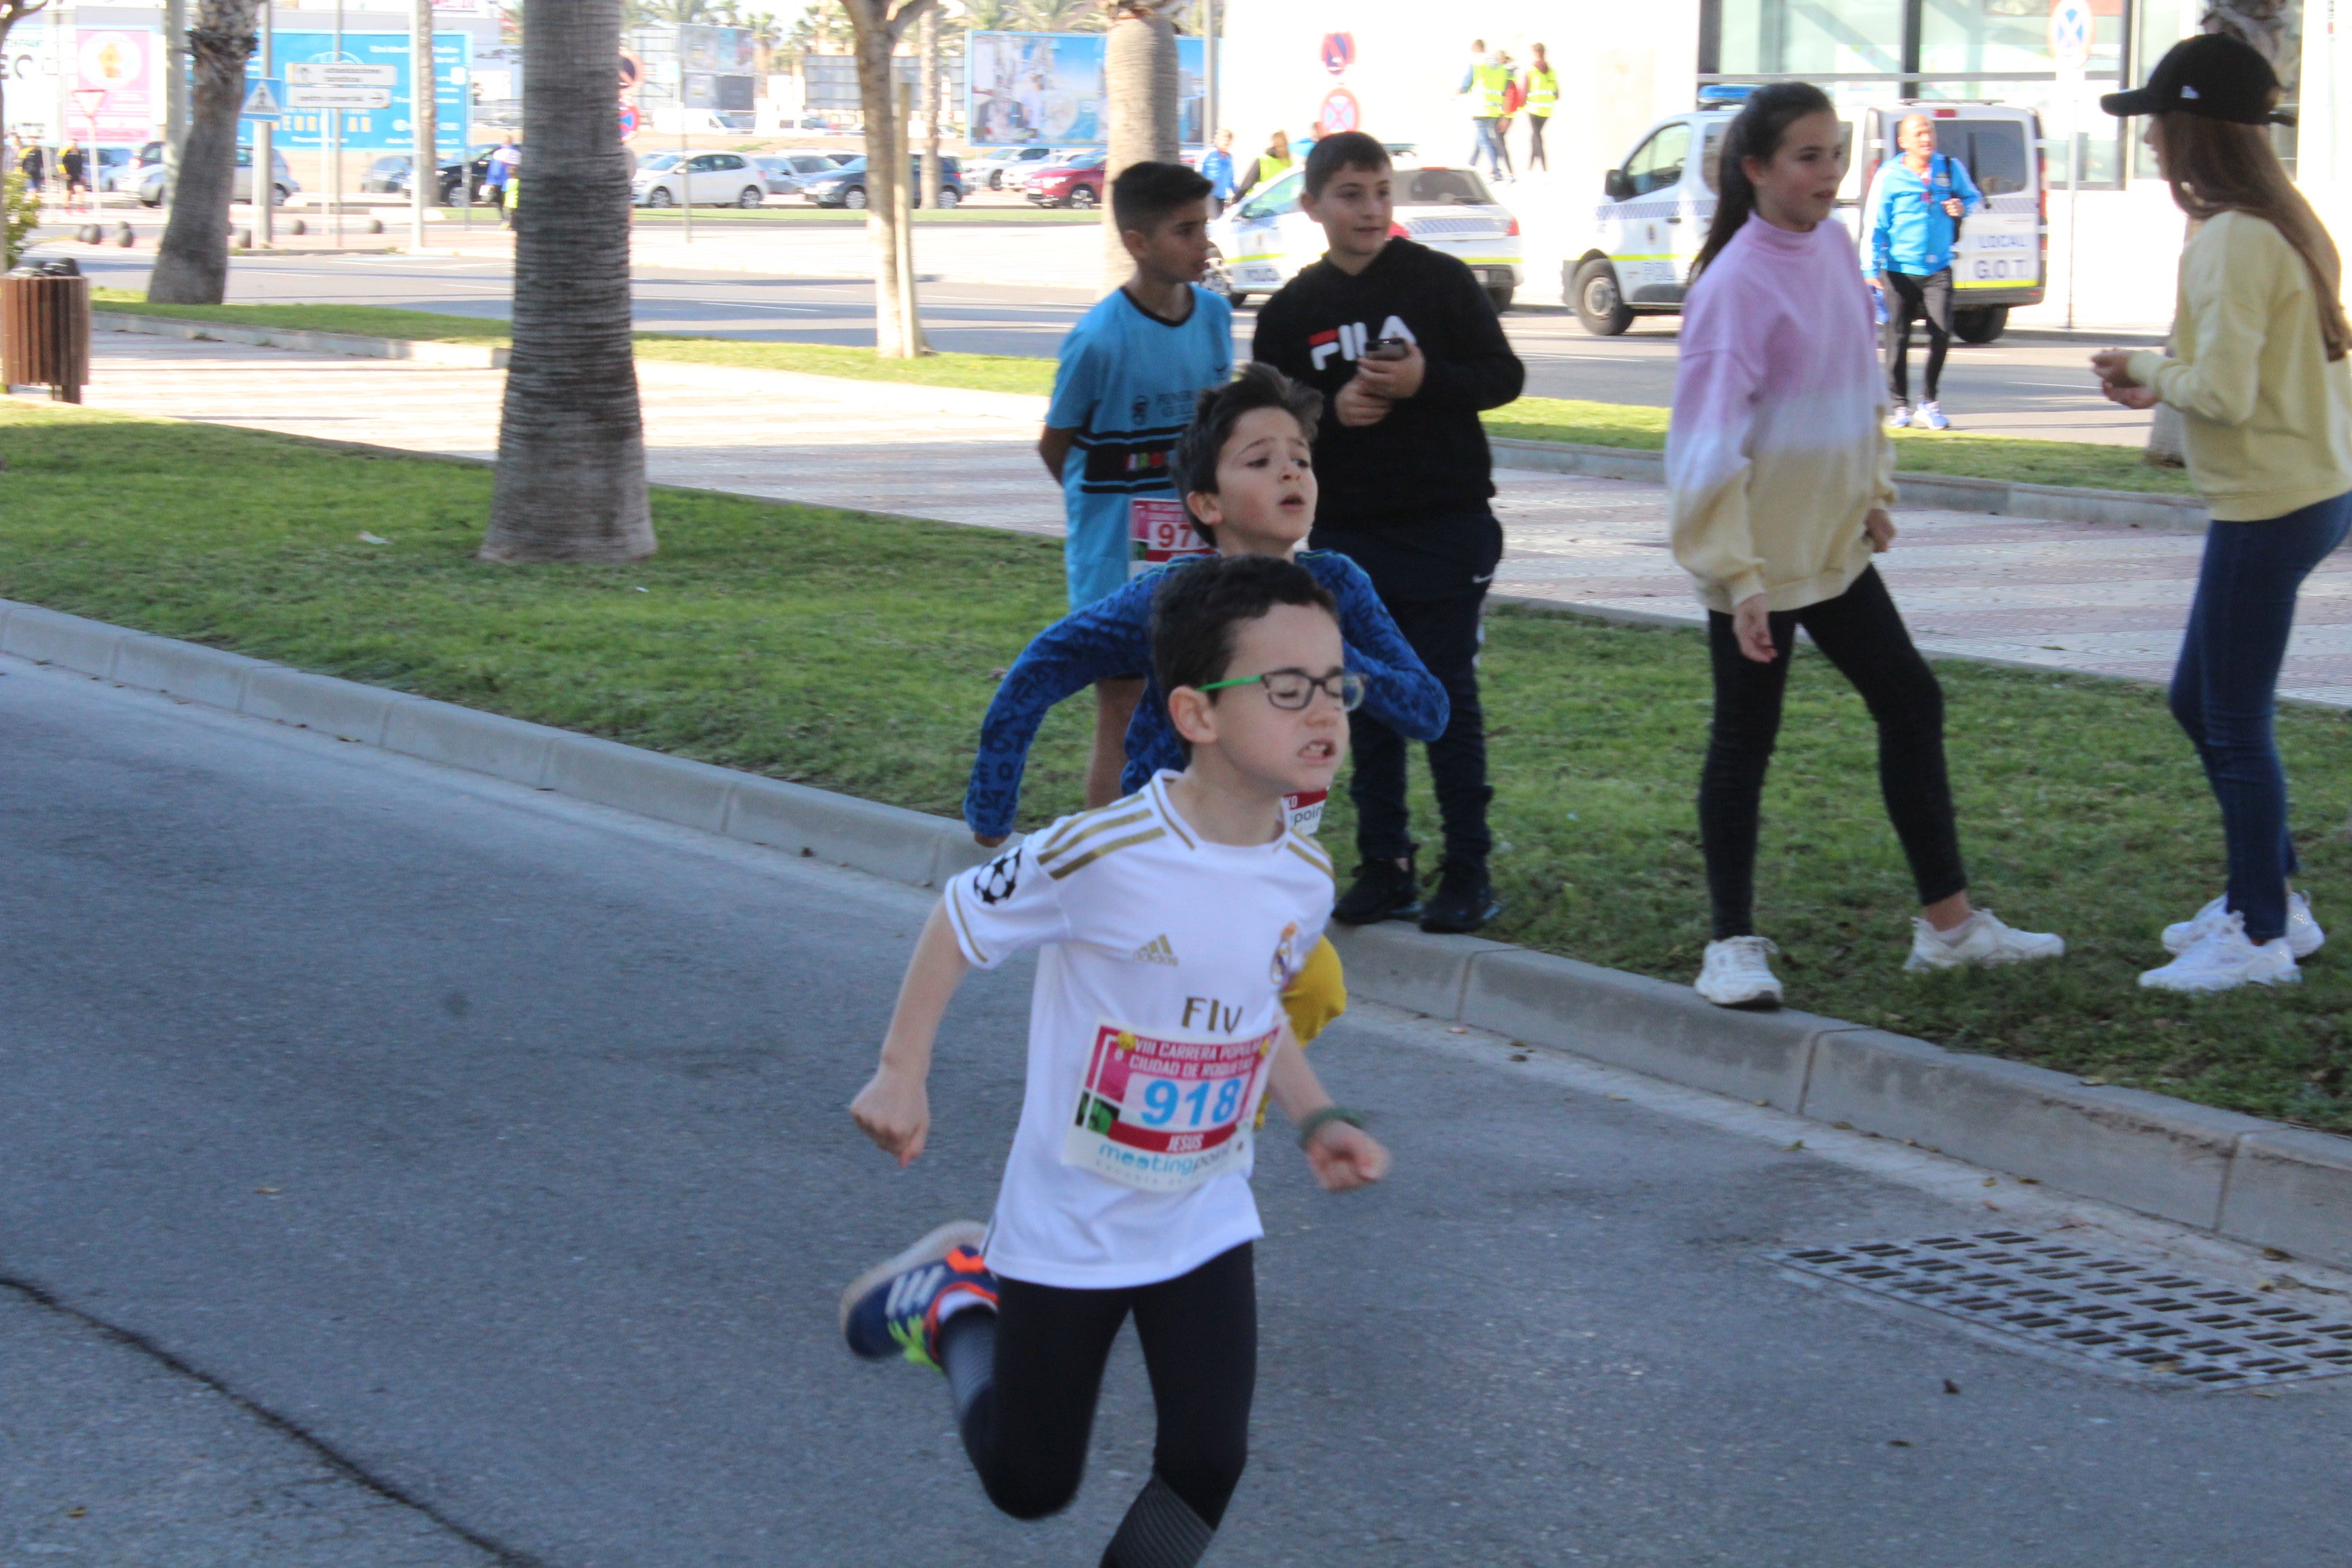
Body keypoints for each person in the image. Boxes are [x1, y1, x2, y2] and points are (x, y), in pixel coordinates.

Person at [842, 552, 1392, 1568]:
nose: (1324, 712)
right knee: (1030, 1484)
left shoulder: (1304, 877)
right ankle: (960, 1300)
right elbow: (962, 918)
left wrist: (1316, 1116)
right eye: (1286, 689)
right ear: (1196, 714)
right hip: (1074, 1220)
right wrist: (900, 1069)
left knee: (1207, 1462)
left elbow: (1253, 1005)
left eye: (1334, 685)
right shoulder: (1099, 854)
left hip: (1204, 1209)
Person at [1667, 83, 2065, 1009]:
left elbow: (1852, 385)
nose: (1830, 173)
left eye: (1837, 153)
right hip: (1758, 567)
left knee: (1912, 703)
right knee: (1744, 744)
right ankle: (1730, 946)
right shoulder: (1731, 285)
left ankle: (1950, 927)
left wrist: (1872, 494)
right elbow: (1701, 448)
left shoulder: (1835, 247)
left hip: (1834, 547)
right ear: (1756, 170)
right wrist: (1738, 577)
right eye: (1807, 157)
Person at [2091, 34, 2351, 993]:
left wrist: (2149, 370)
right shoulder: (2280, 223)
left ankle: (2259, 936)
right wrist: (2162, 377)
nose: (2150, 139)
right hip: (2307, 491)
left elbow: (2229, 391)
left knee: (2233, 721)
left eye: (2157, 121)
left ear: (2191, 129)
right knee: (2198, 701)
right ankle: (2273, 895)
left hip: (2269, 503)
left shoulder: (2232, 238)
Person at [1253, 131, 1525, 934]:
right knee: (1362, 698)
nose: (1371, 209)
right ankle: (1385, 863)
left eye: (1380, 191)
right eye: (1350, 195)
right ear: (1311, 207)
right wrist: (1328, 413)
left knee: (1442, 693)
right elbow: (1272, 424)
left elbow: (1502, 377)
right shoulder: (1292, 311)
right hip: (1347, 535)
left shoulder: (1438, 281)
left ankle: (1468, 867)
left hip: (1447, 525)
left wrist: (1424, 381)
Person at [1039, 161, 1234, 810]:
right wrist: (1106, 513)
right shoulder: (1098, 339)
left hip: (1195, 557)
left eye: (1204, 226)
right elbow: (1056, 445)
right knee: (1121, 710)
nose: (1202, 243)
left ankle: (1180, 845)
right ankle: (1108, 855)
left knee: (1195, 707)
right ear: (1138, 243)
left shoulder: (1212, 317)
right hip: (1113, 564)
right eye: (1184, 230)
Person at [1865, 113, 1983, 431]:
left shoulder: (1949, 167)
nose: (1926, 138)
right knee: (1898, 338)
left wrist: (1962, 207)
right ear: (1904, 142)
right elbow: (1874, 223)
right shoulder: (1889, 175)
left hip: (1937, 269)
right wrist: (1869, 268)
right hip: (1897, 269)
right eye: (1918, 134)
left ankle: (1928, 402)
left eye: (1929, 132)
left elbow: (1974, 198)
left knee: (1942, 331)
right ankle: (1899, 406)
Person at [1460, 41, 1510, 182]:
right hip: (1494, 109)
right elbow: (1505, 88)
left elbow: (1467, 83)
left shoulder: (1477, 63)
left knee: (1484, 140)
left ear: (1475, 49)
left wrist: (1458, 91)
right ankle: (1470, 165)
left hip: (1481, 107)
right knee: (1480, 139)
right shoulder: (1500, 67)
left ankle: (1496, 171)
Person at [1522, 44, 1558, 174]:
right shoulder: (1552, 71)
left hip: (1533, 109)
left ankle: (1544, 167)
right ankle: (1530, 166)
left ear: (1535, 53)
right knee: (1535, 135)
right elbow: (1557, 94)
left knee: (1537, 137)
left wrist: (1520, 105)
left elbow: (1524, 91)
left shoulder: (1531, 70)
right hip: (1547, 110)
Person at [1230, 129, 1290, 201]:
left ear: (1272, 142)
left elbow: (1246, 186)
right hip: (1283, 207)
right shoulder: (1289, 163)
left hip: (1261, 207)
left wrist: (1235, 201)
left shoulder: (1263, 160)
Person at [1200, 128, 1236, 216]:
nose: (1226, 144)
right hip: (1208, 196)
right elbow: (1198, 173)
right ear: (1217, 140)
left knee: (1217, 222)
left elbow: (1230, 181)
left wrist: (1241, 195)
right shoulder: (1208, 154)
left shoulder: (1229, 158)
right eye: (1224, 140)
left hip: (1221, 197)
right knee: (1212, 220)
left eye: (1228, 142)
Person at [483, 133, 518, 208]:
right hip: (513, 181)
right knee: (513, 201)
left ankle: (504, 218)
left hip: (499, 182)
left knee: (499, 201)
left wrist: (490, 182)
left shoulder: (498, 153)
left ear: (503, 142)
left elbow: (494, 170)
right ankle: (511, 216)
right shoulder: (517, 153)